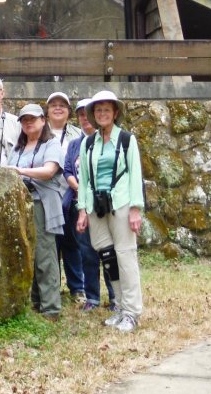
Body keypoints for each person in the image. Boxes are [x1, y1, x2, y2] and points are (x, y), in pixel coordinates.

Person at [76, 91, 144, 333]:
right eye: (98, 110)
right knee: (108, 258)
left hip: (121, 203)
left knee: (125, 256)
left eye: (107, 109)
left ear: (115, 113)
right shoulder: (88, 143)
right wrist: (82, 210)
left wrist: (135, 208)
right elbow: (84, 179)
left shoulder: (126, 139)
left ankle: (132, 312)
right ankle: (119, 306)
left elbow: (135, 173)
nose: (102, 113)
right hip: (96, 206)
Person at [7, 104, 64, 319]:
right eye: (24, 119)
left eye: (32, 118)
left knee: (45, 255)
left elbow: (49, 171)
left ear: (43, 120)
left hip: (42, 204)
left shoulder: (51, 143)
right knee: (27, 253)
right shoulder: (17, 148)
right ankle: (35, 302)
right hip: (22, 205)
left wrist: (20, 171)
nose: (28, 122)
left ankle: (51, 308)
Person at [64, 98, 115, 311]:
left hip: (106, 205)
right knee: (86, 253)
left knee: (109, 252)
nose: (84, 118)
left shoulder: (109, 140)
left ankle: (114, 296)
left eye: (87, 114)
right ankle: (92, 297)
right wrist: (80, 189)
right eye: (80, 114)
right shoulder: (75, 144)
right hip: (81, 205)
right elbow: (68, 170)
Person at [46, 92, 85, 303]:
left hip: (71, 196)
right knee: (50, 245)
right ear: (47, 111)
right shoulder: (40, 132)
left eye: (62, 105)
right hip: (47, 195)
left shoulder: (78, 134)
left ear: (69, 111)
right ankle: (52, 289)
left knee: (72, 243)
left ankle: (77, 288)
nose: (58, 108)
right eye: (53, 105)